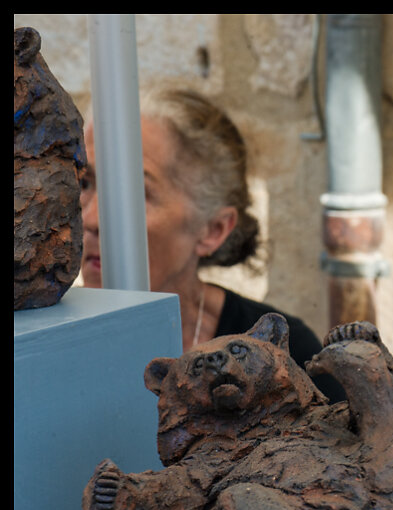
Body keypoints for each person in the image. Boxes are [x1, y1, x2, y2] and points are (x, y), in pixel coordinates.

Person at [79, 88, 345, 403]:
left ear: (212, 230)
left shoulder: (283, 354)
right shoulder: (41, 344)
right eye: (84, 182)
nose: (91, 218)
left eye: (135, 194)